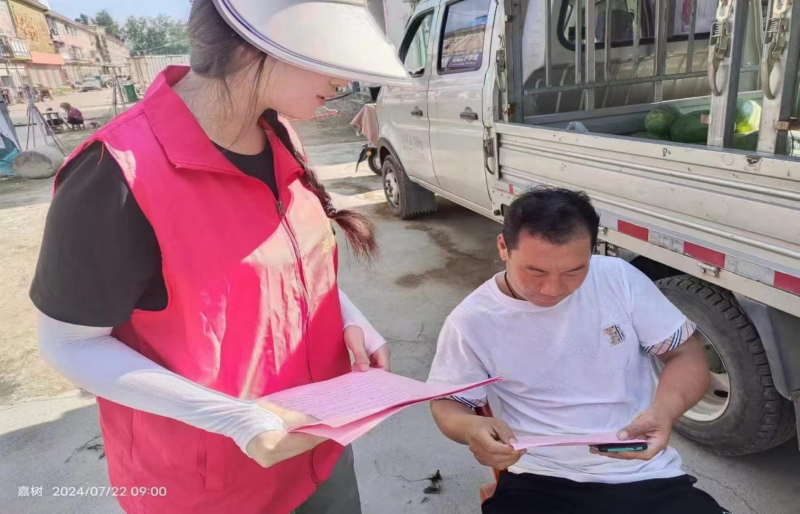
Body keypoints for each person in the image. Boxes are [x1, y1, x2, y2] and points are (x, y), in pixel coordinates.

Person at [31, 0, 409, 513]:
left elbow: (288, 260)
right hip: (210, 484)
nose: (343, 79)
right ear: (260, 40)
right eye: (330, 52)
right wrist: (236, 420)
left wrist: (349, 317)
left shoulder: (279, 133)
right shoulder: (116, 172)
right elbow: (69, 342)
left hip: (316, 447)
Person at [428, 187, 729, 514]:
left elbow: (685, 354)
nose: (553, 290)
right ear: (503, 247)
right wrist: (471, 428)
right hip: (539, 474)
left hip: (639, 470)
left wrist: (665, 411)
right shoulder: (472, 320)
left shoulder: (618, 278)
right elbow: (447, 402)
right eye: (536, 271)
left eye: (574, 271)